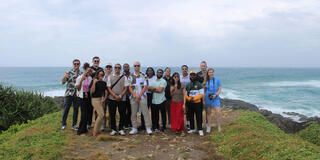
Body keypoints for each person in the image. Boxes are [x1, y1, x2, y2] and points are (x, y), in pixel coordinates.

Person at [128, 61, 152, 135]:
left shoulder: (144, 75)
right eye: (135, 66)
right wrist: (135, 95)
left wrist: (139, 95)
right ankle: (134, 128)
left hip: (142, 96)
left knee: (145, 113)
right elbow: (129, 87)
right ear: (133, 66)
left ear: (140, 66)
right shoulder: (130, 76)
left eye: (138, 65)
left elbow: (145, 86)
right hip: (133, 97)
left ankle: (148, 128)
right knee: (133, 113)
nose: (136, 67)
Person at [107, 63, 129, 136]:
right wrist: (114, 95)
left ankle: (120, 129)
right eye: (116, 67)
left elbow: (126, 88)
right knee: (112, 114)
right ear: (114, 68)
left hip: (122, 99)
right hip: (112, 99)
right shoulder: (110, 77)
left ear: (120, 69)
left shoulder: (124, 77)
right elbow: (109, 87)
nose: (117, 69)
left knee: (122, 114)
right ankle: (113, 129)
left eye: (119, 68)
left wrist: (120, 96)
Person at [61, 59, 82, 130]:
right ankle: (63, 124)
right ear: (73, 65)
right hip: (69, 93)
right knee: (66, 109)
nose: (76, 65)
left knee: (76, 109)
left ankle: (74, 125)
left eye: (77, 64)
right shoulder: (69, 72)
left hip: (77, 94)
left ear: (80, 65)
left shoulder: (81, 74)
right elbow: (63, 82)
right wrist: (64, 76)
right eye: (75, 64)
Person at [75, 63, 93, 136]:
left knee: (88, 114)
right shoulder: (80, 77)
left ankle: (85, 129)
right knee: (84, 114)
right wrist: (81, 80)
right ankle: (80, 131)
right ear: (85, 70)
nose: (88, 72)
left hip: (88, 96)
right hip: (81, 97)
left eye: (89, 71)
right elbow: (78, 88)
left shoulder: (90, 78)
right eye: (87, 71)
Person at [186, 71, 204, 136]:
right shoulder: (188, 85)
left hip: (197, 103)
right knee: (191, 116)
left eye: (193, 75)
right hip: (190, 103)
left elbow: (201, 94)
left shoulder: (199, 84)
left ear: (196, 76)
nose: (192, 76)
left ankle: (200, 129)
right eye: (191, 75)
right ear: (190, 76)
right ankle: (192, 128)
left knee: (198, 116)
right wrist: (188, 99)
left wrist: (195, 98)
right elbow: (185, 94)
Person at [90, 69, 108, 137]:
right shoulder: (94, 81)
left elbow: (105, 92)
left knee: (101, 115)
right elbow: (92, 91)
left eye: (102, 75)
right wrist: (94, 82)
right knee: (101, 115)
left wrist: (104, 99)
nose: (101, 76)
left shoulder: (103, 83)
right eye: (100, 74)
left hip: (100, 100)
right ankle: (94, 130)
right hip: (94, 100)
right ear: (97, 75)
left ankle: (98, 130)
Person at [204, 68, 222, 133]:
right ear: (208, 73)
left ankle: (219, 126)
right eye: (210, 72)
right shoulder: (206, 81)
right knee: (208, 113)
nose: (211, 73)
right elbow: (204, 90)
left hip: (215, 97)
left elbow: (220, 89)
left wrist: (216, 95)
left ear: (213, 73)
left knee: (218, 112)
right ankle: (209, 126)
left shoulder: (217, 80)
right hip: (207, 97)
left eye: (212, 72)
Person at [88, 56, 103, 129]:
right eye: (95, 61)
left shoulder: (101, 69)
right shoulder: (90, 69)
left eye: (97, 61)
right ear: (93, 61)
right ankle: (89, 123)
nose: (96, 62)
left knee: (98, 111)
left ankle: (98, 125)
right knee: (90, 109)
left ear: (99, 62)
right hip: (90, 90)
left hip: (98, 92)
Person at [101, 62, 113, 131]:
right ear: (105, 68)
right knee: (103, 111)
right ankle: (103, 125)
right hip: (103, 96)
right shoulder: (102, 76)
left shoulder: (113, 76)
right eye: (107, 67)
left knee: (111, 112)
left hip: (111, 96)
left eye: (110, 67)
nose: (108, 68)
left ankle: (111, 125)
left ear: (111, 69)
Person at [180, 65, 191, 129]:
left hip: (188, 96)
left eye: (186, 69)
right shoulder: (180, 77)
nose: (184, 70)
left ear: (187, 70)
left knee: (188, 110)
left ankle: (188, 123)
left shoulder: (189, 77)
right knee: (181, 110)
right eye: (183, 69)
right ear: (181, 70)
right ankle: (181, 123)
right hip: (181, 96)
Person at [123, 63, 132, 129]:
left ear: (129, 67)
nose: (126, 68)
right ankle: (125, 123)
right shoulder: (121, 75)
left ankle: (129, 123)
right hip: (123, 96)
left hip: (130, 95)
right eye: (125, 67)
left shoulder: (131, 75)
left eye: (127, 67)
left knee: (130, 111)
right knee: (123, 111)